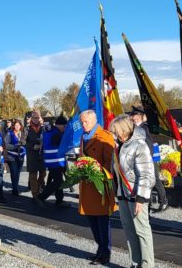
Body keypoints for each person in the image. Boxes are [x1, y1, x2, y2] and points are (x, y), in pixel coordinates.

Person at [110, 114, 155, 268]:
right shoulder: (120, 145)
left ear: (124, 130)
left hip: (137, 196)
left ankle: (147, 264)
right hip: (123, 195)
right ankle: (135, 262)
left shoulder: (139, 145)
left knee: (142, 231)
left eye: (116, 131)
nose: (114, 134)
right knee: (129, 230)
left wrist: (141, 199)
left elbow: (146, 174)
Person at [78, 109, 116, 266]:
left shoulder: (105, 137)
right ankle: (99, 249)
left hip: (100, 186)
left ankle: (105, 252)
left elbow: (110, 161)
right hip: (87, 185)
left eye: (85, 122)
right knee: (91, 220)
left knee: (102, 220)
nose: (83, 125)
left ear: (94, 121)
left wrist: (97, 170)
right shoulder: (83, 137)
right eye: (81, 122)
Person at [129, 106, 168, 212]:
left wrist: (147, 159)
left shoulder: (144, 128)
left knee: (154, 179)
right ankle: (149, 203)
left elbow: (149, 144)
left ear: (140, 116)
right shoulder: (137, 128)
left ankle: (163, 201)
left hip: (148, 159)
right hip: (144, 159)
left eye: (134, 115)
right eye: (132, 115)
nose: (132, 118)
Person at [37, 115, 69, 207]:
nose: (65, 128)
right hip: (55, 162)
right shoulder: (56, 133)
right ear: (60, 125)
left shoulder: (51, 131)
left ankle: (59, 200)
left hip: (52, 161)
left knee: (58, 181)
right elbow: (61, 143)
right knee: (58, 182)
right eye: (64, 126)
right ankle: (41, 197)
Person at [26, 111, 46, 200]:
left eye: (38, 118)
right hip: (32, 155)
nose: (36, 120)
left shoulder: (43, 128)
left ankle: (37, 188)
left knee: (43, 173)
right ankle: (35, 194)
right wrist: (32, 146)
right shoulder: (26, 129)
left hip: (41, 155)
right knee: (33, 175)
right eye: (35, 118)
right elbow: (22, 142)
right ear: (31, 118)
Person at [4, 121, 26, 196]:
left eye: (18, 125)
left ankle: (15, 186)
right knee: (14, 172)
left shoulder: (23, 133)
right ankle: (15, 189)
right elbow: (6, 145)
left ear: (20, 126)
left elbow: (27, 143)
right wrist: (15, 146)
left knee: (18, 173)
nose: (17, 127)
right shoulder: (10, 133)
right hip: (12, 157)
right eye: (15, 125)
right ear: (13, 126)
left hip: (21, 157)